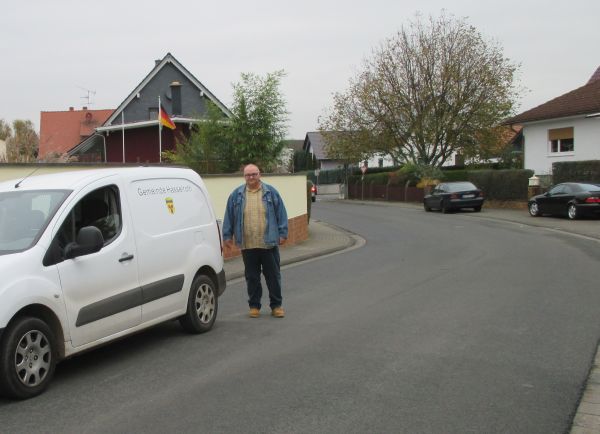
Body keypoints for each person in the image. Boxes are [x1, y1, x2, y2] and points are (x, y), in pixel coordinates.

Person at [222, 164, 288, 318]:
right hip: (248, 244)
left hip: (268, 243)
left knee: (273, 277)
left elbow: (281, 213)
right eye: (248, 175)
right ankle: (254, 306)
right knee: (252, 277)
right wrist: (227, 236)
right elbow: (229, 216)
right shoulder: (236, 195)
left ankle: (276, 306)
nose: (251, 177)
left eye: (254, 174)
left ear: (260, 174)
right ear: (244, 176)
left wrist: (283, 233)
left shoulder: (271, 192)